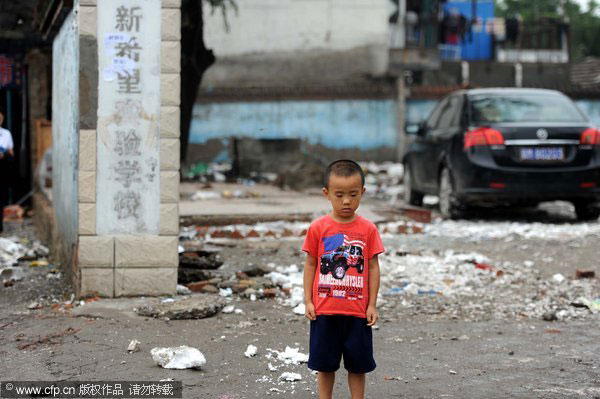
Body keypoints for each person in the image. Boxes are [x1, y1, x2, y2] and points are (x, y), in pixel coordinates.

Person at [302, 159, 384, 399]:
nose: (346, 201)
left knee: (358, 365)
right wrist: (308, 300)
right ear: (327, 194)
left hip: (357, 312)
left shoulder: (368, 229)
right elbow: (310, 265)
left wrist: (372, 304)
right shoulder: (318, 228)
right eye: (339, 195)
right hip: (324, 310)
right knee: (324, 364)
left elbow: (372, 267)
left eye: (353, 194)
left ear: (363, 193)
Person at [0, 111, 14, 233]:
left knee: (1, 194)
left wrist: (4, 153)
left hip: (2, 165)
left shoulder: (6, 133)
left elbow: (11, 151)